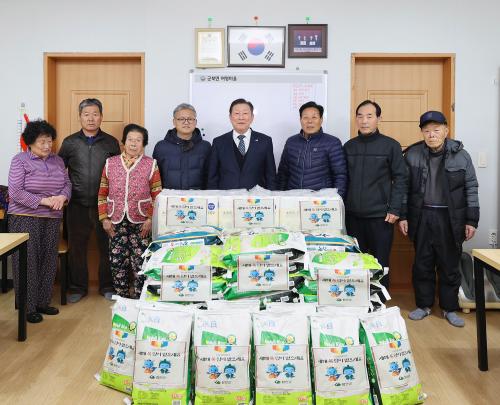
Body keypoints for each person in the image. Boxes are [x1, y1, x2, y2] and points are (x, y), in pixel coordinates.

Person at [399, 111, 479, 327]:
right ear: (422, 133)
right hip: (422, 215)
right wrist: (403, 216)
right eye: (427, 131)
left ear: (446, 130)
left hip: (451, 218)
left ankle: (449, 308)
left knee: (449, 264)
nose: (431, 134)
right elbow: (404, 188)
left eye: (436, 130)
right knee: (422, 263)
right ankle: (424, 305)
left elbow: (471, 188)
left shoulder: (462, 156)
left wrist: (471, 220)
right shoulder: (412, 154)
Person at [8, 120, 71, 323]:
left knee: (48, 260)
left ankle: (43, 302)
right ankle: (27, 307)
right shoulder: (19, 160)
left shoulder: (58, 160)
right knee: (27, 262)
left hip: (52, 218)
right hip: (24, 218)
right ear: (30, 142)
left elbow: (67, 183)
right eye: (42, 141)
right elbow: (15, 192)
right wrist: (43, 201)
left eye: (49, 141)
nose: (47, 145)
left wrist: (63, 197)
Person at [59, 98, 121, 303]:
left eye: (95, 114)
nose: (91, 118)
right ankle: (77, 287)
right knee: (77, 248)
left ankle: (108, 286)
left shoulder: (111, 142)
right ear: (80, 117)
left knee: (107, 246)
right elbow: (58, 172)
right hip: (76, 204)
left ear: (101, 117)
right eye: (86, 114)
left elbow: (119, 173)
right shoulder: (69, 142)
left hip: (105, 205)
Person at [343, 100, 407, 290]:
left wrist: (395, 209)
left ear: (379, 118)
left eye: (369, 116)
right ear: (356, 119)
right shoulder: (349, 146)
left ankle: (379, 301)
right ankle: (358, 301)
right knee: (355, 263)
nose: (364, 121)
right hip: (353, 216)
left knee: (380, 264)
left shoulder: (391, 146)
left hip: (381, 217)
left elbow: (401, 179)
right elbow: (343, 179)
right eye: (360, 116)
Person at [98, 124, 162, 298]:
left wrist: (150, 219)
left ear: (144, 144)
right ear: (123, 142)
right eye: (130, 139)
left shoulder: (151, 164)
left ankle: (141, 297)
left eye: (138, 140)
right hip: (115, 219)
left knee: (141, 260)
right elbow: (102, 192)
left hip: (142, 221)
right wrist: (104, 218)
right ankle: (122, 298)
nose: (133, 143)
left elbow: (157, 194)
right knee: (117, 261)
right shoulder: (110, 163)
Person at [277, 101, 347, 198]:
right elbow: (283, 174)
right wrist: (280, 197)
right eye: (305, 117)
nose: (310, 121)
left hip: (321, 201)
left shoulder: (332, 142)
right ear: (300, 120)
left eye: (314, 117)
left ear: (321, 120)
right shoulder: (291, 142)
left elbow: (340, 175)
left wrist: (336, 200)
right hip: (293, 199)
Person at [207, 98, 276, 190]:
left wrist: (271, 195)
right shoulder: (218, 142)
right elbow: (212, 177)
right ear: (230, 117)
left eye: (245, 113)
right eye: (236, 113)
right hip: (226, 197)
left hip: (256, 197)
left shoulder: (265, 141)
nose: (241, 117)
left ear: (252, 117)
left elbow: (271, 176)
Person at [153, 103, 211, 189]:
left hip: (198, 196)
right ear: (174, 122)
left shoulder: (205, 146)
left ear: (195, 122)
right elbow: (155, 178)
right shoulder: (161, 147)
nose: (186, 122)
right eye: (181, 119)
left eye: (190, 119)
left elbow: (210, 176)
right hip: (168, 196)